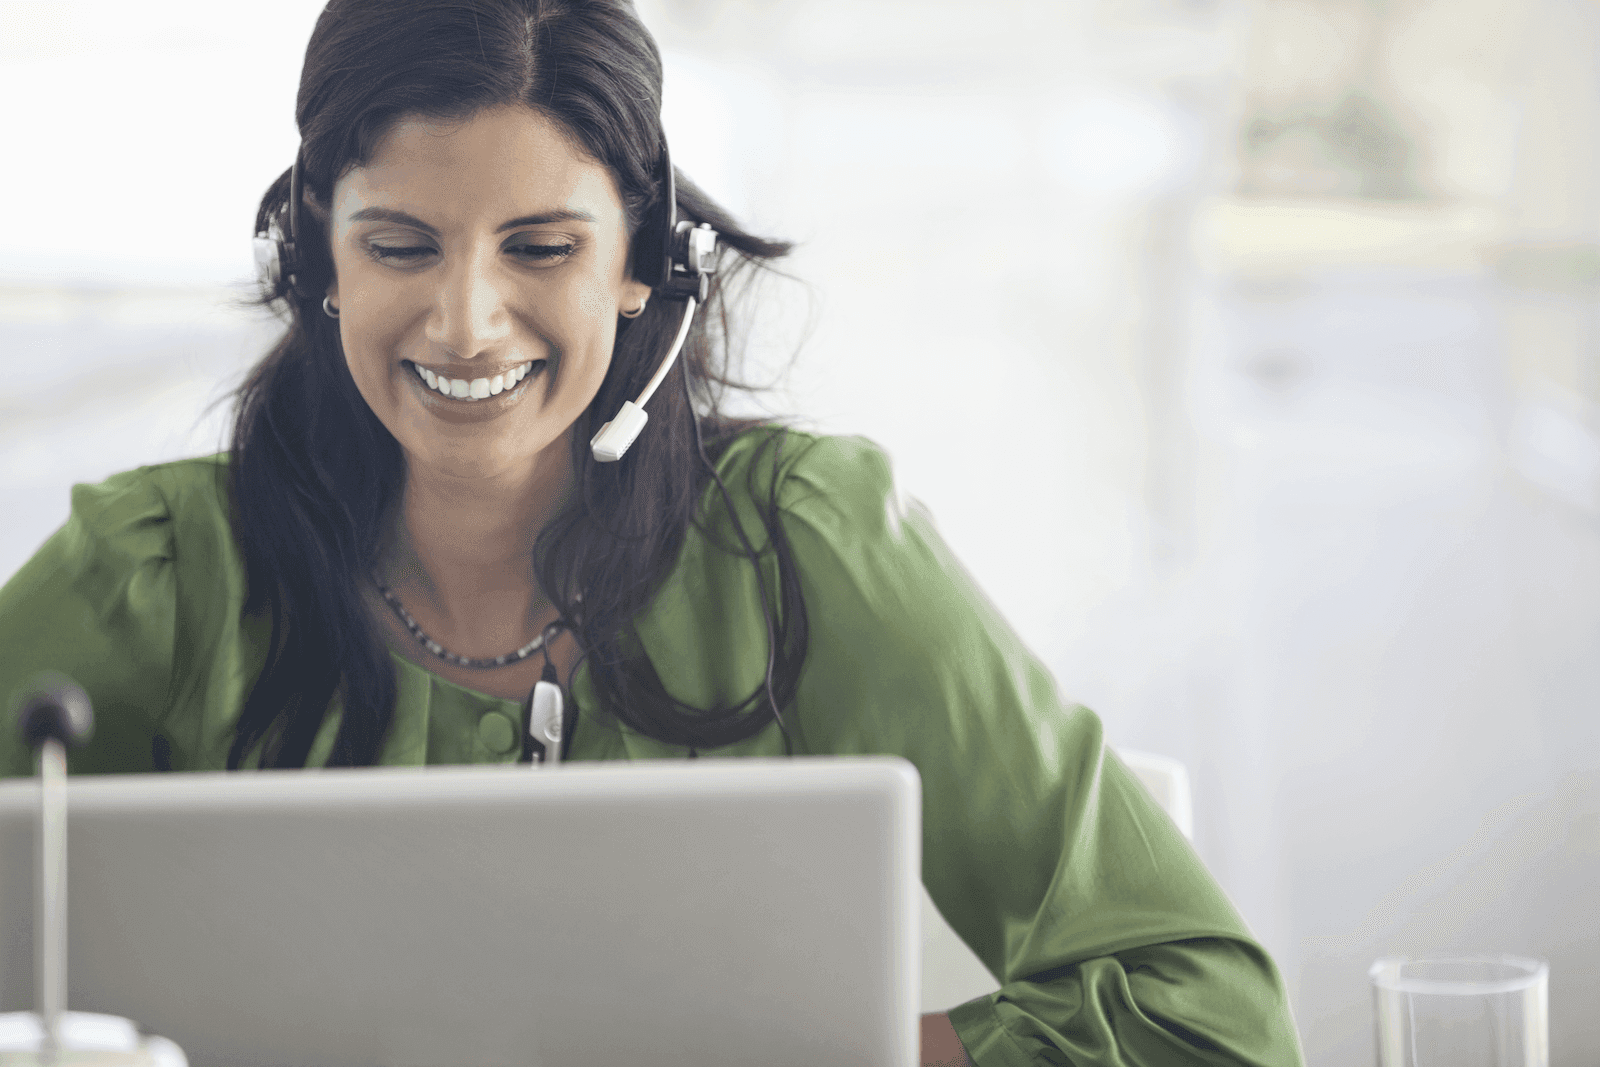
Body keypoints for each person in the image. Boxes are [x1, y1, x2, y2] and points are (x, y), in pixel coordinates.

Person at [0, 1, 1306, 1063]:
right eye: (400, 245)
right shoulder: (152, 575)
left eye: (541, 247)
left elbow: (1206, 1013)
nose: (466, 322)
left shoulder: (804, 541)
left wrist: (848, 1056)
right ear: (313, 259)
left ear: (640, 265)